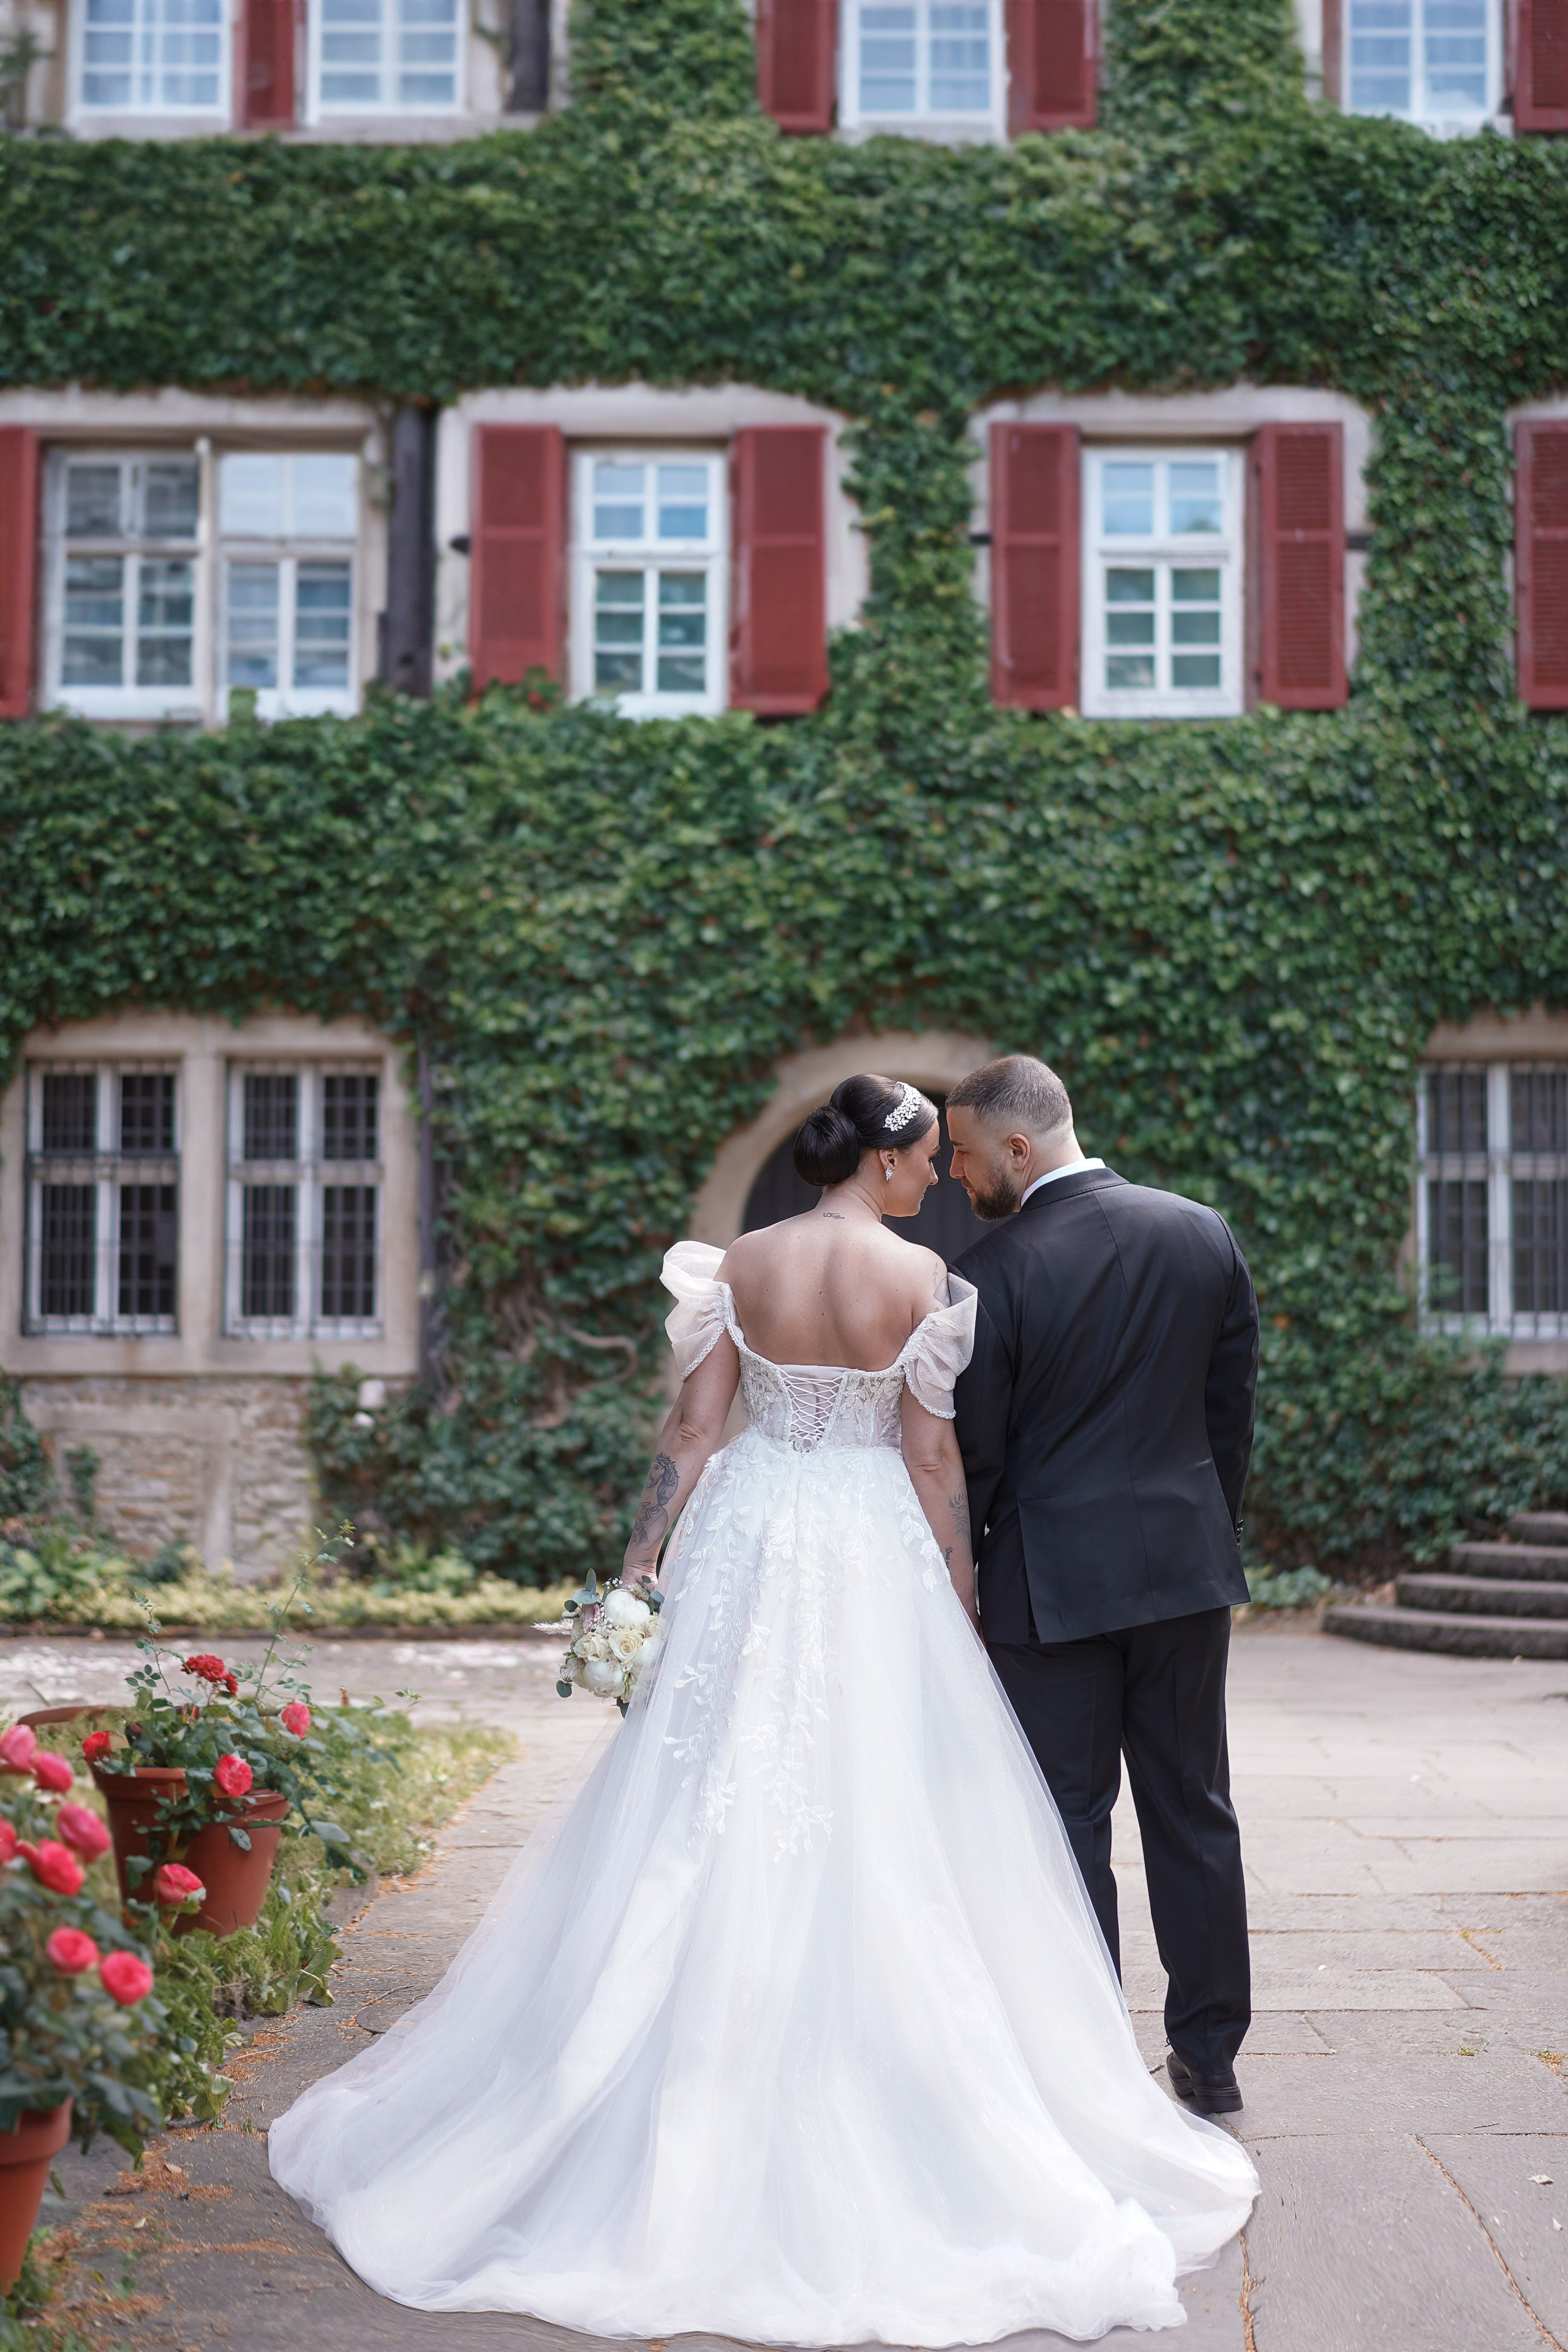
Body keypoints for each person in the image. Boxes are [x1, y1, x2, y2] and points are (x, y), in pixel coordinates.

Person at [269, 1071, 1256, 2345]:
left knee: (703, 1788)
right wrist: (959, 1594)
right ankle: (1088, 2060)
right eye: (925, 1157)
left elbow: (688, 1432)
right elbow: (932, 1456)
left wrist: (635, 1574)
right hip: (876, 1554)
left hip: (746, 1538)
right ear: (889, 1160)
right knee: (902, 1798)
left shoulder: (735, 1264)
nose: (937, 1177)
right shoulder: (922, 1283)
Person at [947, 1054, 1257, 2119]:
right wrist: (1205, 1534)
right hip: (1183, 1573)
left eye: (966, 1153)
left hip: (1049, 1589)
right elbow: (1230, 1414)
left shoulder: (993, 1272)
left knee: (1068, 1821)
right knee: (1193, 1808)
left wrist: (972, 1570)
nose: (956, 1173)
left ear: (1019, 1149)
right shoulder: (1202, 1231)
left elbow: (976, 1454)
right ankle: (1210, 2059)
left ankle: (1083, 2058)